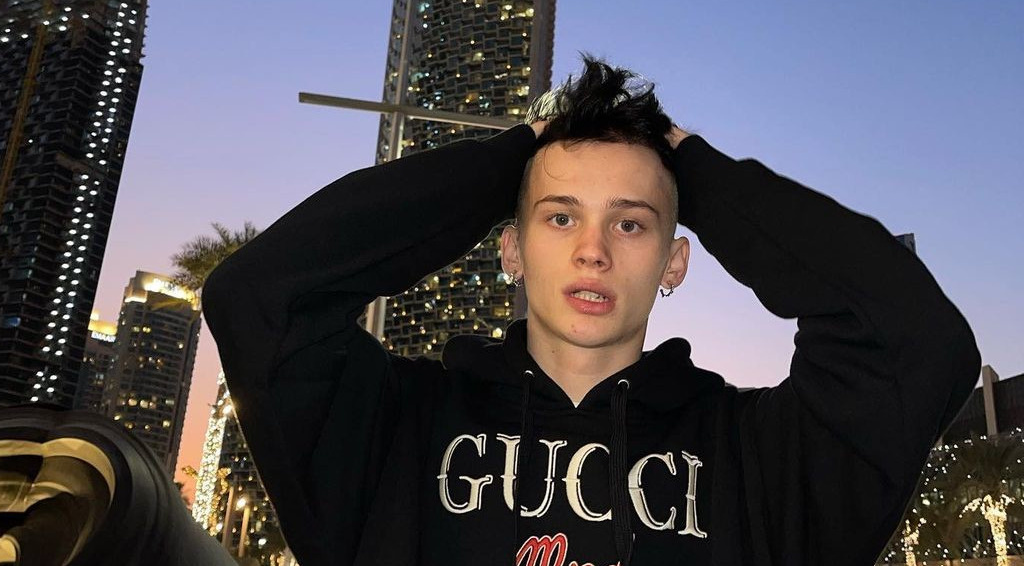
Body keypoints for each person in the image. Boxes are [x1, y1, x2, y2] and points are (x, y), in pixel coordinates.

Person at [201, 56, 981, 566]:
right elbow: (259, 296)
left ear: (674, 261)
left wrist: (693, 168)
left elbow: (914, 341)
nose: (593, 250)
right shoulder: (393, 429)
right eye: (561, 216)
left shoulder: (756, 458)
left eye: (631, 223)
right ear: (512, 249)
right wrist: (514, 158)